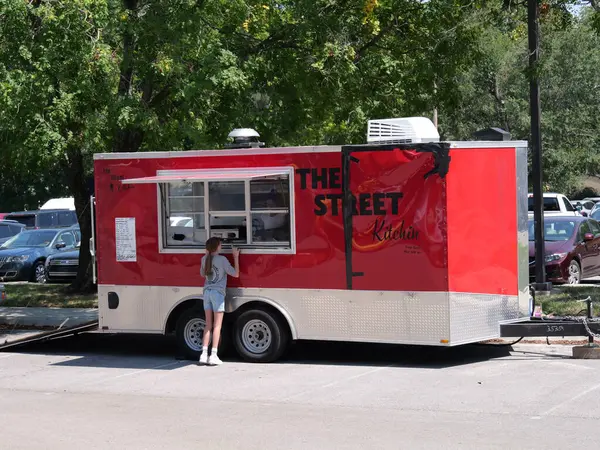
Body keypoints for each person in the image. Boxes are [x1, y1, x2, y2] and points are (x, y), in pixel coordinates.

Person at [199, 237, 240, 366]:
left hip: (207, 293)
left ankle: (203, 354)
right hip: (217, 294)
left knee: (208, 325)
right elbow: (236, 273)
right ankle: (214, 355)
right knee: (217, 326)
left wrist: (206, 255)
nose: (221, 245)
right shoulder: (222, 260)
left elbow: (202, 274)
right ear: (217, 247)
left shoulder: (204, 259)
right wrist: (236, 257)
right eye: (220, 244)